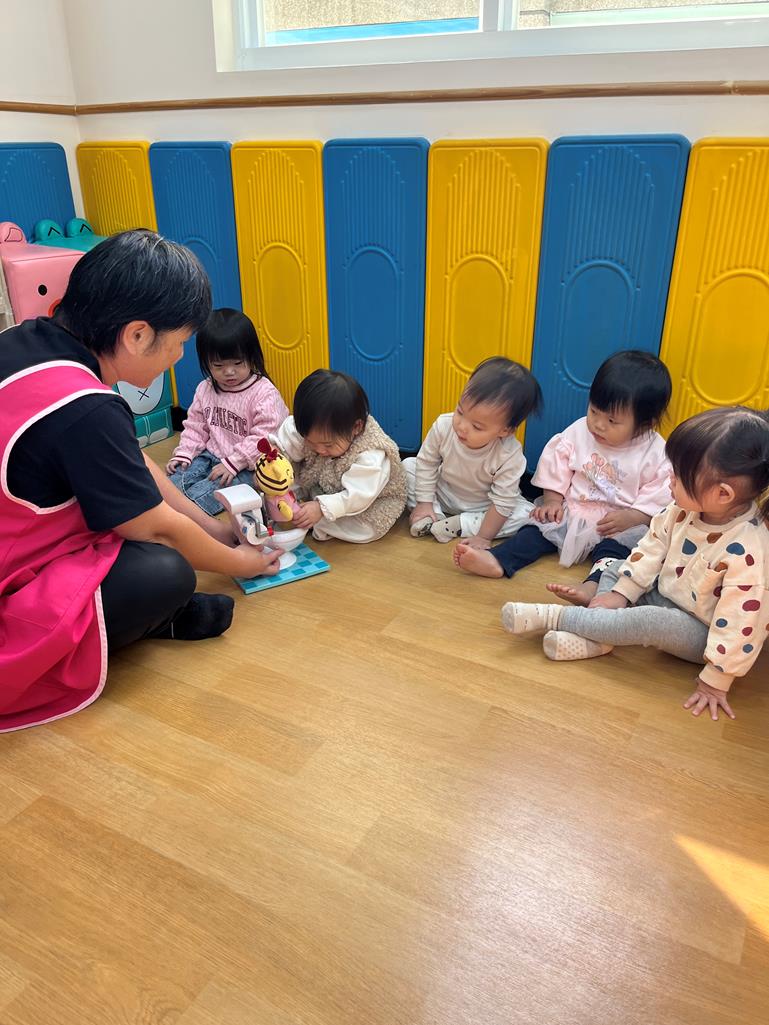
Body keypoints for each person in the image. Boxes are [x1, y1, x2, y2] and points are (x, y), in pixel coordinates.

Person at [0, 230, 282, 733]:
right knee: (166, 572)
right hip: (13, 579)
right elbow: (156, 528)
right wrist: (242, 562)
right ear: (136, 335)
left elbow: (134, 467)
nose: (179, 357)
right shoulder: (87, 406)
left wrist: (216, 531)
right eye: (179, 342)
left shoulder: (27, 340)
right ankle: (149, 621)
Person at [499, 406, 769, 721]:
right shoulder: (680, 510)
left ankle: (556, 617)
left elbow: (741, 626)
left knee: (653, 621)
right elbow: (650, 549)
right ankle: (599, 639)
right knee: (616, 567)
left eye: (679, 475)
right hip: (666, 592)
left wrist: (716, 681)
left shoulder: (749, 551)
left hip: (703, 633)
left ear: (722, 494)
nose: (669, 480)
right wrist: (621, 593)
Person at [454, 350, 672, 579]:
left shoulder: (655, 452)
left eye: (612, 420)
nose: (598, 424)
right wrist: (553, 501)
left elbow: (659, 492)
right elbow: (558, 464)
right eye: (594, 411)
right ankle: (498, 560)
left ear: (645, 424)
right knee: (534, 532)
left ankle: (595, 585)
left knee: (616, 554)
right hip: (572, 511)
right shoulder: (579, 431)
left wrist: (635, 517)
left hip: (617, 524)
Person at [406, 357, 542, 546]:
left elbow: (502, 502)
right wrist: (424, 502)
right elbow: (427, 463)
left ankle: (460, 524)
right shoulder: (444, 426)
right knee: (408, 466)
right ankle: (431, 515)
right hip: (443, 492)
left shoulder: (509, 455)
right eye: (460, 412)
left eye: (477, 427)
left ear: (505, 431)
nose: (462, 426)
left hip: (484, 507)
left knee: (526, 514)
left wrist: (484, 538)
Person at [166, 308, 288, 514]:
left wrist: (235, 462)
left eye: (237, 363)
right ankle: (164, 512)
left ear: (251, 356)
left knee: (199, 498)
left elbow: (265, 438)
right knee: (171, 485)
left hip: (245, 466)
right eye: (218, 365)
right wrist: (185, 453)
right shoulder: (205, 388)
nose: (229, 372)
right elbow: (195, 427)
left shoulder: (264, 393)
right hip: (209, 455)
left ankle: (180, 519)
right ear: (206, 362)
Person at [273, 370, 407, 543]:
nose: (319, 450)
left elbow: (357, 496)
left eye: (328, 445)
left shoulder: (372, 454)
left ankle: (312, 519)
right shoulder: (311, 429)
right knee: (284, 469)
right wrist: (274, 459)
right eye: (311, 441)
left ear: (356, 428)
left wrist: (321, 508)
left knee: (366, 530)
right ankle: (296, 507)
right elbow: (288, 435)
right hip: (323, 488)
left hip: (367, 503)